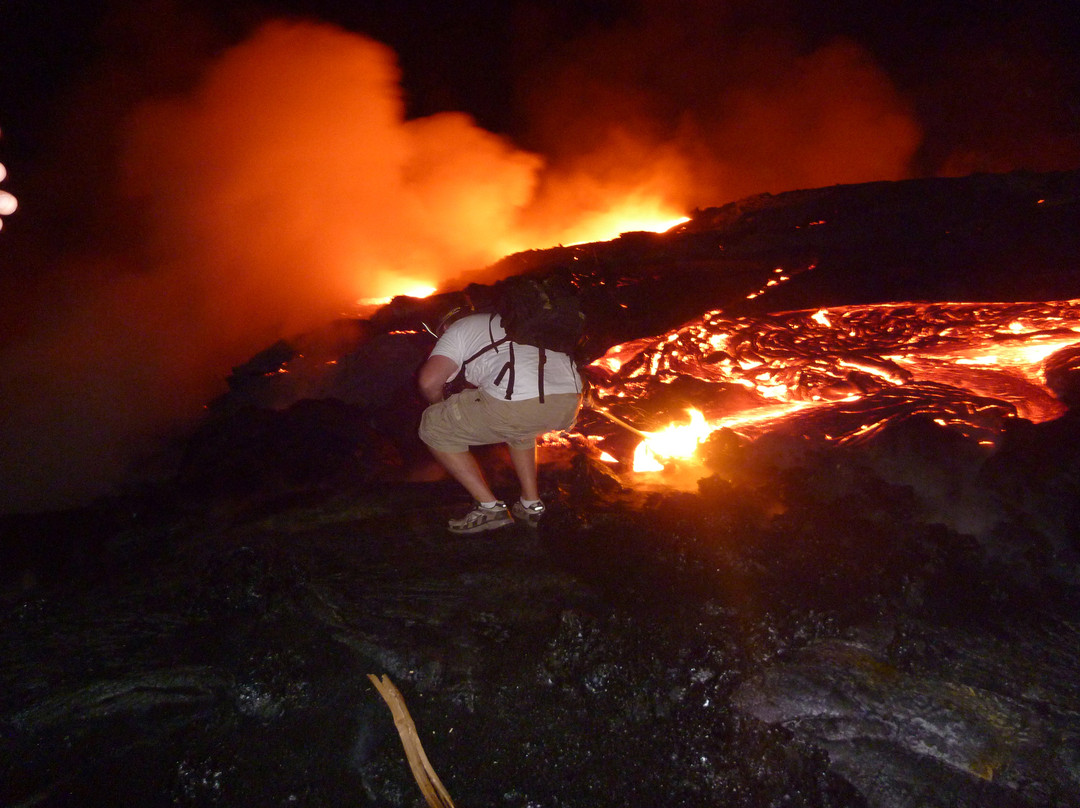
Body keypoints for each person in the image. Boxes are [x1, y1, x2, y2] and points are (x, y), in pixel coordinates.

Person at [417, 308, 583, 533]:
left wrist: (438, 406)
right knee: (519, 425)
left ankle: (489, 509)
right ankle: (531, 504)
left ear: (445, 326)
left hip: (519, 402)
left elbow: (429, 382)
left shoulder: (456, 329)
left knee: (433, 425)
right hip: (569, 401)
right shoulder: (517, 320)